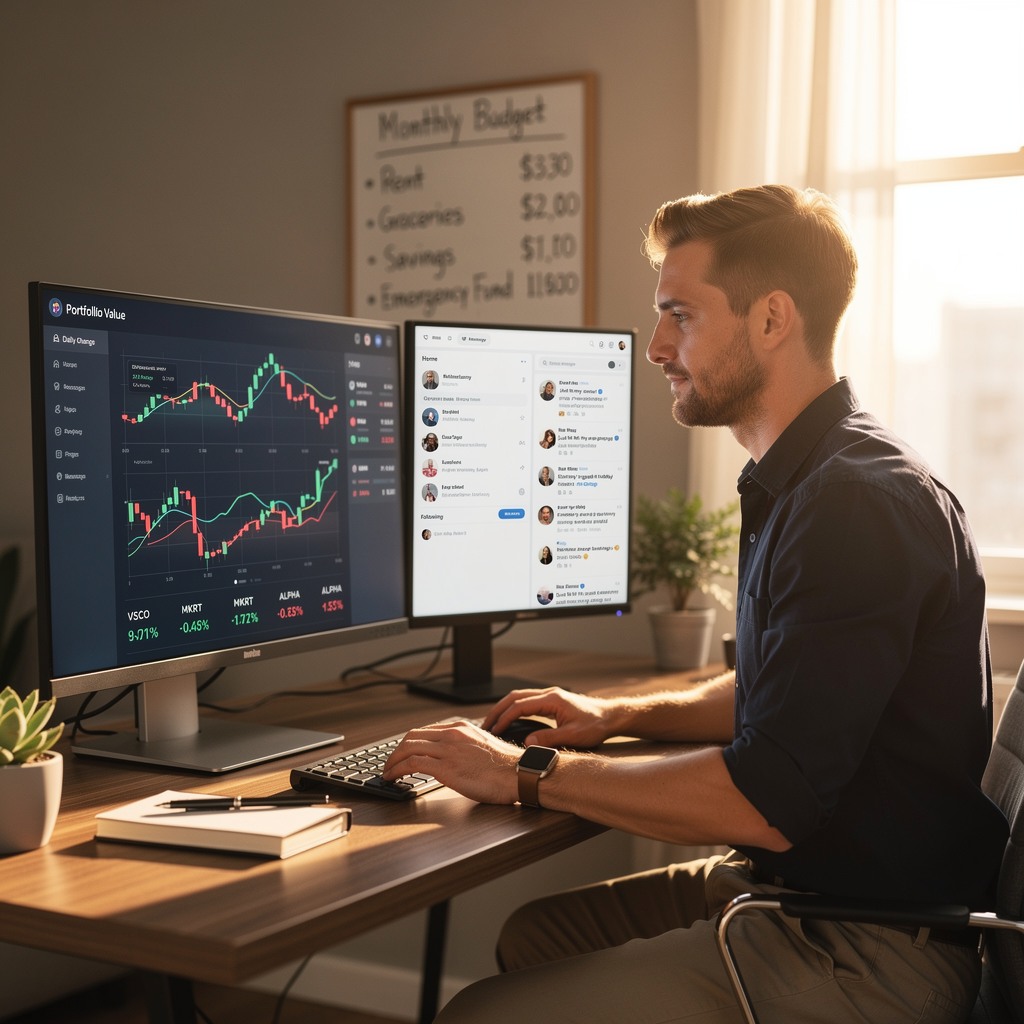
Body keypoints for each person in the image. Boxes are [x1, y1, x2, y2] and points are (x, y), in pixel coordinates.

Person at [383, 184, 1008, 1023]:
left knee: (477, 1015)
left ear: (772, 319)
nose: (654, 348)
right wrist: (615, 714)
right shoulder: (812, 476)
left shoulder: (853, 504)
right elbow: (785, 692)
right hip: (798, 893)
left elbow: (766, 799)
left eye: (680, 316)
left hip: (865, 947)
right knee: (537, 935)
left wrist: (523, 773)